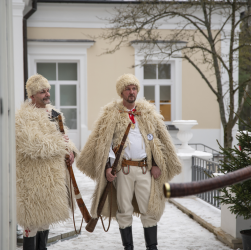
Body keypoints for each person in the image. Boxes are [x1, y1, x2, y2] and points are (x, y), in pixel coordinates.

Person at [77, 73, 182, 250]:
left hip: (144, 170)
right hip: (123, 171)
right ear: (121, 93)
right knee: (124, 210)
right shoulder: (112, 115)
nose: (131, 92)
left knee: (149, 208)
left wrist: (156, 164)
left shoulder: (147, 113)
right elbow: (105, 144)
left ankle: (152, 247)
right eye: (128, 89)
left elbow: (156, 141)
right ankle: (128, 247)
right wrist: (108, 168)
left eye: (134, 89)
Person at [15, 74, 78, 250]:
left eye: (48, 90)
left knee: (45, 222)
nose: (47, 94)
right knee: (31, 225)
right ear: (32, 95)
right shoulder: (22, 117)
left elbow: (63, 137)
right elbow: (32, 145)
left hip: (52, 181)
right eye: (42, 92)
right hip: (32, 182)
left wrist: (71, 151)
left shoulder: (54, 113)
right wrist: (61, 146)